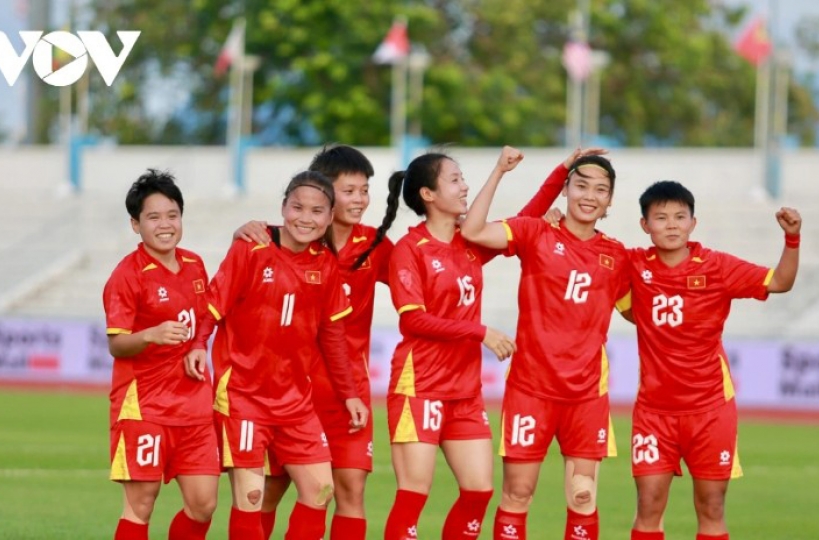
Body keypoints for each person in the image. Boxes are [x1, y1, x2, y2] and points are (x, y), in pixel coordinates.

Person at [378, 148, 563, 540]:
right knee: (414, 494)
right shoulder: (409, 250)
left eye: (464, 179)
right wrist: (480, 332)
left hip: (463, 390)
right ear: (428, 194)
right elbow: (412, 319)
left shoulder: (469, 243)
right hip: (420, 386)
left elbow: (525, 221)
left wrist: (561, 171)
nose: (464, 187)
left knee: (479, 491)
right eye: (455, 180)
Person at [460, 147, 629, 540]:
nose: (589, 195)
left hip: (587, 395)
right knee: (518, 494)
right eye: (581, 185)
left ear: (609, 201)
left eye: (600, 190)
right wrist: (512, 171)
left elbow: (639, 311)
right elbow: (471, 231)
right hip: (530, 390)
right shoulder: (535, 231)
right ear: (566, 190)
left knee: (583, 496)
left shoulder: (617, 255)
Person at [621, 181, 801, 540]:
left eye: (679, 216)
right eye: (660, 217)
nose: (671, 224)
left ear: (693, 222)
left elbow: (780, 282)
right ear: (645, 225)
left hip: (710, 410)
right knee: (649, 504)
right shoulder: (633, 264)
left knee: (712, 507)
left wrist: (792, 239)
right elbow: (597, 270)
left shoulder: (718, 266)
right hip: (654, 413)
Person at [199, 171, 369, 540]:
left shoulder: (326, 265)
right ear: (283, 208)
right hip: (244, 395)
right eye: (297, 208)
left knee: (321, 489)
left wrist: (350, 393)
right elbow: (212, 307)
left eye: (316, 211)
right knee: (253, 495)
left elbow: (333, 339)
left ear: (329, 218)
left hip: (295, 401)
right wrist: (198, 345)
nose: (305, 218)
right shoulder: (251, 248)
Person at [235, 145, 394, 539]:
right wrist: (243, 230)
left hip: (346, 390)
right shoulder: (288, 239)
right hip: (289, 390)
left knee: (349, 491)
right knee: (269, 490)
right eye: (349, 190)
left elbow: (430, 271)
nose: (359, 199)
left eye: (364, 189)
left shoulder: (374, 246)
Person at [102, 169, 219, 540]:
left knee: (203, 505)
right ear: (136, 225)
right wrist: (151, 334)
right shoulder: (127, 275)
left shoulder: (195, 265)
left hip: (195, 405)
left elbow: (204, 318)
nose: (165, 225)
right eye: (153, 217)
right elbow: (116, 344)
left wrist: (199, 345)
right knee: (141, 503)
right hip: (144, 405)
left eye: (172, 215)